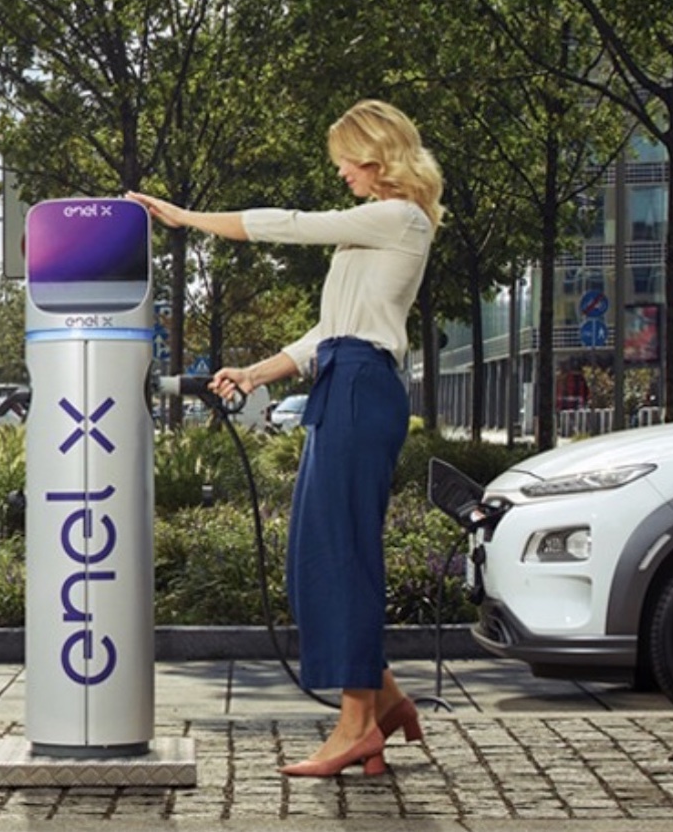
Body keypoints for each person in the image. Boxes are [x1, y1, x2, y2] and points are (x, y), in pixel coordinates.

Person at [127, 98, 442, 778]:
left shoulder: (399, 217)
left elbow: (291, 227)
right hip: (342, 380)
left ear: (375, 154)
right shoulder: (371, 234)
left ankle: (358, 723)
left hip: (360, 387)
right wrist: (258, 370)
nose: (341, 177)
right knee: (317, 552)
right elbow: (329, 330)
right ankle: (383, 699)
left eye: (345, 164)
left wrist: (186, 219)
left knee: (344, 551)